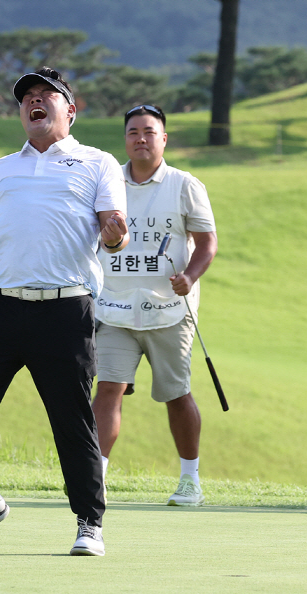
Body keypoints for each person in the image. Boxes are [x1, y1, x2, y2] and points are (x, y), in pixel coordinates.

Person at [0, 67, 128, 556]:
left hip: (65, 311)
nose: (35, 102)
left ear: (70, 111)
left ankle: (89, 523)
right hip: (1, 309)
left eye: (47, 96)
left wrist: (116, 232)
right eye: (27, 98)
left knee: (71, 420)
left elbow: (112, 232)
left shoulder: (97, 163)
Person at [92, 104, 217, 506]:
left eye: (149, 132)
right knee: (108, 387)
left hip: (169, 310)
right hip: (114, 307)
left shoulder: (184, 185)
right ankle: (96, 477)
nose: (141, 139)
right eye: (133, 132)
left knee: (176, 394)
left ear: (164, 139)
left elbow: (207, 242)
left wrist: (190, 276)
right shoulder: (108, 184)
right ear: (124, 140)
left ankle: (189, 480)